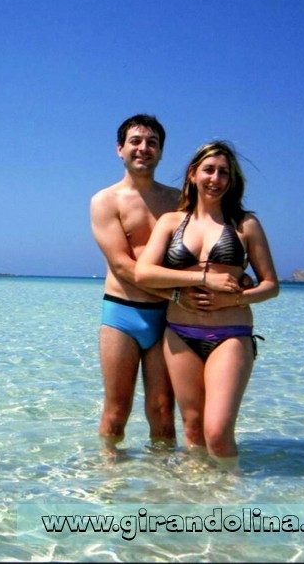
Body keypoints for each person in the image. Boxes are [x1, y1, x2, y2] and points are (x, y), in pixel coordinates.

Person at [135, 141, 279, 461]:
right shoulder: (171, 222)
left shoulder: (245, 224)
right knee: (193, 427)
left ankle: (231, 501)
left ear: (232, 180)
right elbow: (143, 273)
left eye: (223, 172)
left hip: (230, 334)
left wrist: (234, 300)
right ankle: (197, 501)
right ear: (193, 174)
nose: (215, 178)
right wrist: (199, 279)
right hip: (180, 334)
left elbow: (271, 285)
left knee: (217, 432)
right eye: (209, 170)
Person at [90, 114, 202, 449]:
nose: (143, 148)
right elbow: (124, 267)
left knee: (163, 410)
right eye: (135, 141)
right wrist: (181, 293)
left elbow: (206, 238)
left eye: (152, 142)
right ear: (119, 149)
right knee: (116, 410)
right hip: (122, 315)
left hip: (167, 317)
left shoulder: (179, 200)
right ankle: (108, 487)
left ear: (161, 152)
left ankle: (160, 488)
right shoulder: (104, 201)